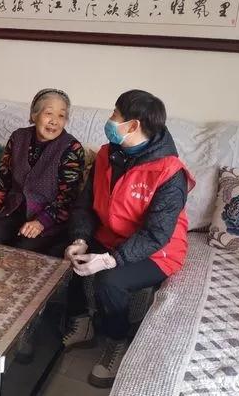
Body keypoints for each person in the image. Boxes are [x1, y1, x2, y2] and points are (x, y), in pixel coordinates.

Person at [60, 90, 195, 388]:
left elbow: (157, 234)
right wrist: (80, 238)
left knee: (111, 281)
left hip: (158, 250)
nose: (109, 119)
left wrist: (111, 259)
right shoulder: (108, 154)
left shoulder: (170, 173)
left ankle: (117, 341)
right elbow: (85, 204)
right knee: (68, 254)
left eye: (115, 114)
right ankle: (81, 323)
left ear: (132, 125)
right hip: (111, 234)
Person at [0, 89, 85, 253]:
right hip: (13, 211)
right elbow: (2, 181)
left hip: (50, 220)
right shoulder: (18, 137)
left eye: (61, 116)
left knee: (22, 252)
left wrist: (42, 222)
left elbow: (69, 198)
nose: (54, 121)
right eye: (49, 113)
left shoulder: (72, 148)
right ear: (34, 115)